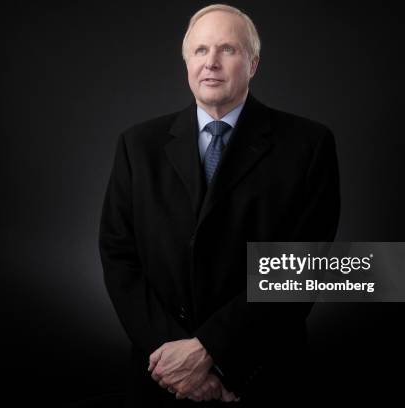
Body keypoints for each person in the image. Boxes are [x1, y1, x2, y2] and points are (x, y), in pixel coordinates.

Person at [99, 4, 340, 406]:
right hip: (162, 376)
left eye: (227, 49)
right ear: (186, 61)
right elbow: (119, 258)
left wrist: (213, 351)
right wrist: (177, 362)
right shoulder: (137, 146)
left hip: (261, 373)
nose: (211, 62)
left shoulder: (308, 145)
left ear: (253, 63)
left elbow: (302, 266)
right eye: (200, 50)